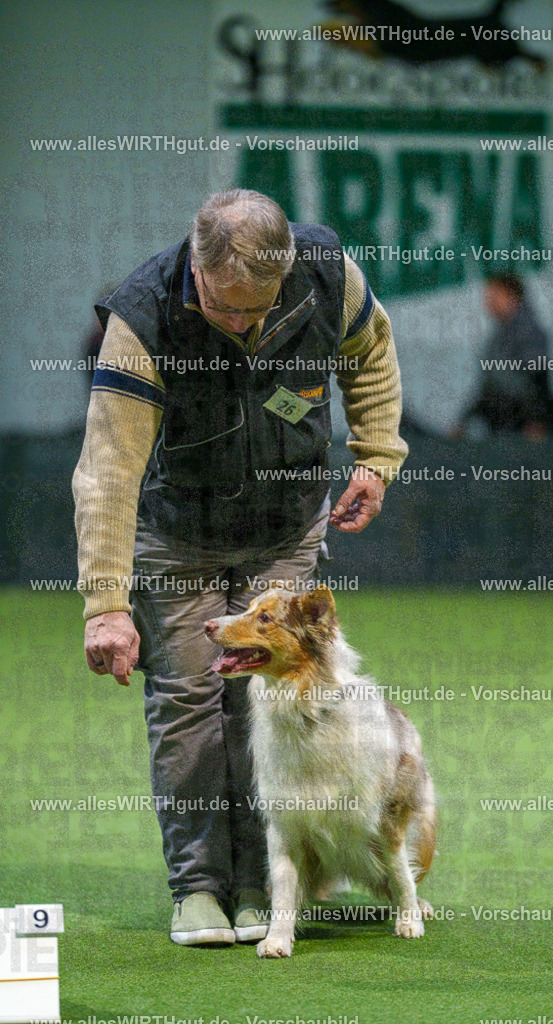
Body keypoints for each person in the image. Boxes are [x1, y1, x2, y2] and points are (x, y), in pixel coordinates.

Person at [72, 189, 408, 946]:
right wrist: (105, 603)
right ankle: (196, 888)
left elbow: (373, 352)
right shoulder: (143, 316)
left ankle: (263, 885)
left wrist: (378, 457)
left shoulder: (328, 275)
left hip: (283, 526)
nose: (244, 325)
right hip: (179, 534)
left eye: (259, 309)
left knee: (266, 709)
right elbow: (108, 471)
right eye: (226, 310)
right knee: (189, 703)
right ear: (197, 264)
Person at [453, 273, 553, 439]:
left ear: (512, 296)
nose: (488, 302)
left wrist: (537, 420)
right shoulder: (500, 336)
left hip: (526, 429)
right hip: (506, 426)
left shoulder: (528, 331)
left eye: (495, 295)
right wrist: (465, 419)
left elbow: (538, 377)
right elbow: (491, 386)